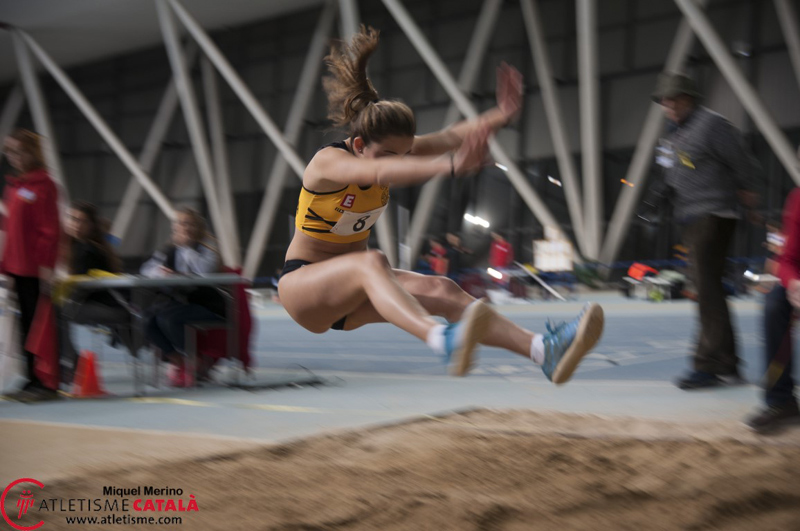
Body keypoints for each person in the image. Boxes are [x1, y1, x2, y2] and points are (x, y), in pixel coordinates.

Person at [277, 26, 604, 382]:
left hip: (352, 294)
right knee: (371, 261)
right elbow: (381, 166)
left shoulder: (389, 154)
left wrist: (501, 114)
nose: (397, 162)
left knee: (443, 290)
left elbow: (449, 136)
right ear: (358, 146)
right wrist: (450, 166)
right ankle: (440, 339)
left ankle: (543, 350)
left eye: (404, 154)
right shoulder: (329, 163)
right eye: (390, 154)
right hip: (304, 286)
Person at [651, 72, 757, 390]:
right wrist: (660, 194)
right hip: (690, 216)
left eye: (672, 100)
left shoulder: (712, 124)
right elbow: (674, 172)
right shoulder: (674, 137)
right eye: (664, 101)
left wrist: (748, 190)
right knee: (709, 290)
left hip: (714, 214)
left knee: (705, 291)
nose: (667, 106)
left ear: (688, 98)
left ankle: (708, 365)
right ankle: (728, 363)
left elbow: (741, 160)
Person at [0, 129, 61, 402]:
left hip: (37, 269)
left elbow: (50, 230)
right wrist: (5, 267)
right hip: (17, 267)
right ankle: (30, 379)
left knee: (41, 327)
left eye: (19, 151)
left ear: (32, 152)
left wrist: (46, 268)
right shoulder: (13, 187)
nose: (14, 157)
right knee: (25, 326)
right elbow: (8, 231)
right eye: (10, 152)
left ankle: (47, 383)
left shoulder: (44, 184)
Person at [140, 207, 224, 384]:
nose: (184, 228)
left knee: (168, 319)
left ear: (198, 228)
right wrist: (160, 271)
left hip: (208, 304)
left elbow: (204, 273)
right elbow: (146, 269)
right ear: (174, 228)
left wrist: (187, 248)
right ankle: (178, 360)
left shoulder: (207, 249)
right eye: (180, 223)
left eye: (188, 224)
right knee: (146, 319)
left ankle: (196, 360)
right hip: (179, 302)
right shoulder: (169, 250)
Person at [58, 201, 135, 381]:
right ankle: (71, 365)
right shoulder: (79, 247)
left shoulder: (87, 249)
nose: (75, 224)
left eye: (81, 221)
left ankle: (74, 367)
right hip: (100, 305)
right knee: (59, 311)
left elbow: (79, 287)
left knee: (59, 312)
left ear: (91, 225)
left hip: (113, 309)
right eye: (72, 219)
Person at [745, 186, 800, 433]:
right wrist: (793, 284)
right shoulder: (798, 198)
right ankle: (781, 401)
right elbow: (787, 259)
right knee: (775, 304)